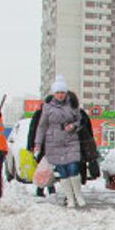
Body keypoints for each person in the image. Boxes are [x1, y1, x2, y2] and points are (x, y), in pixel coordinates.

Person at [34, 75, 86, 208]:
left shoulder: (73, 103)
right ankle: (70, 199)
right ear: (54, 93)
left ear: (66, 92)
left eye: (62, 92)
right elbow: (42, 126)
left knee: (73, 167)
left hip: (70, 140)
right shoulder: (47, 107)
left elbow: (80, 120)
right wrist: (37, 144)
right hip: (54, 142)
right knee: (63, 171)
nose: (60, 95)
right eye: (57, 92)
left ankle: (78, 195)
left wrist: (73, 126)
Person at [27, 97, 57, 198]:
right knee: (44, 168)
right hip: (41, 146)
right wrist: (31, 145)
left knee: (49, 167)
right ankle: (43, 189)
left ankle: (48, 188)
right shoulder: (39, 114)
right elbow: (33, 130)